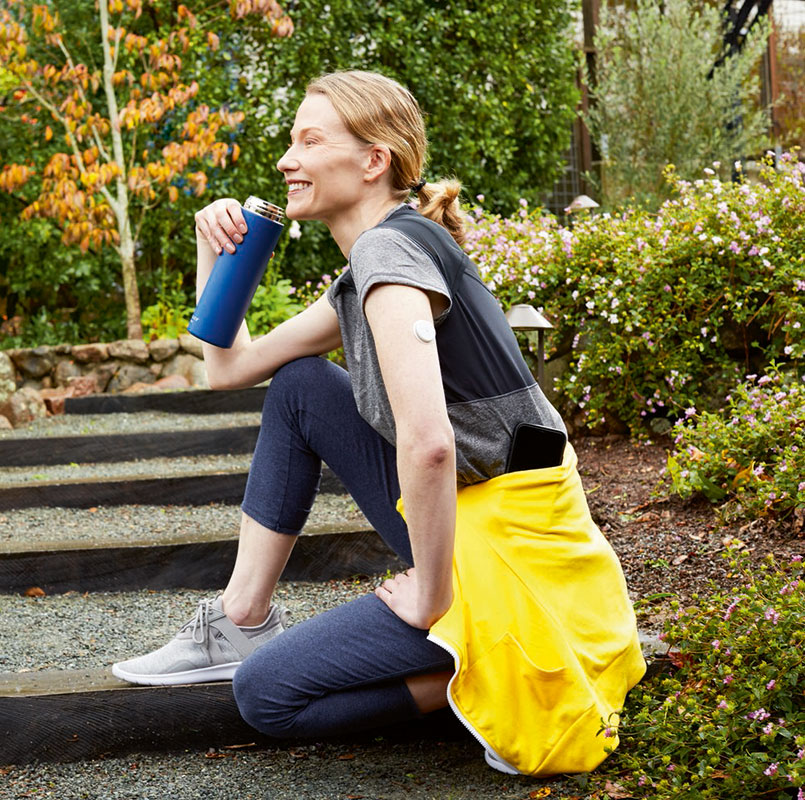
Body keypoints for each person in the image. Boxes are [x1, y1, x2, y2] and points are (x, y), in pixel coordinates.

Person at [112, 70, 646, 775]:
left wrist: (429, 592)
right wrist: (216, 251)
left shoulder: (389, 254)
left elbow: (427, 446)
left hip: (507, 545)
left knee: (267, 695)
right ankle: (242, 616)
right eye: (290, 141)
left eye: (309, 140)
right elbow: (230, 368)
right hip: (469, 509)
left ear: (373, 161)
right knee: (301, 384)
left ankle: (473, 676)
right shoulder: (373, 264)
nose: (285, 159)